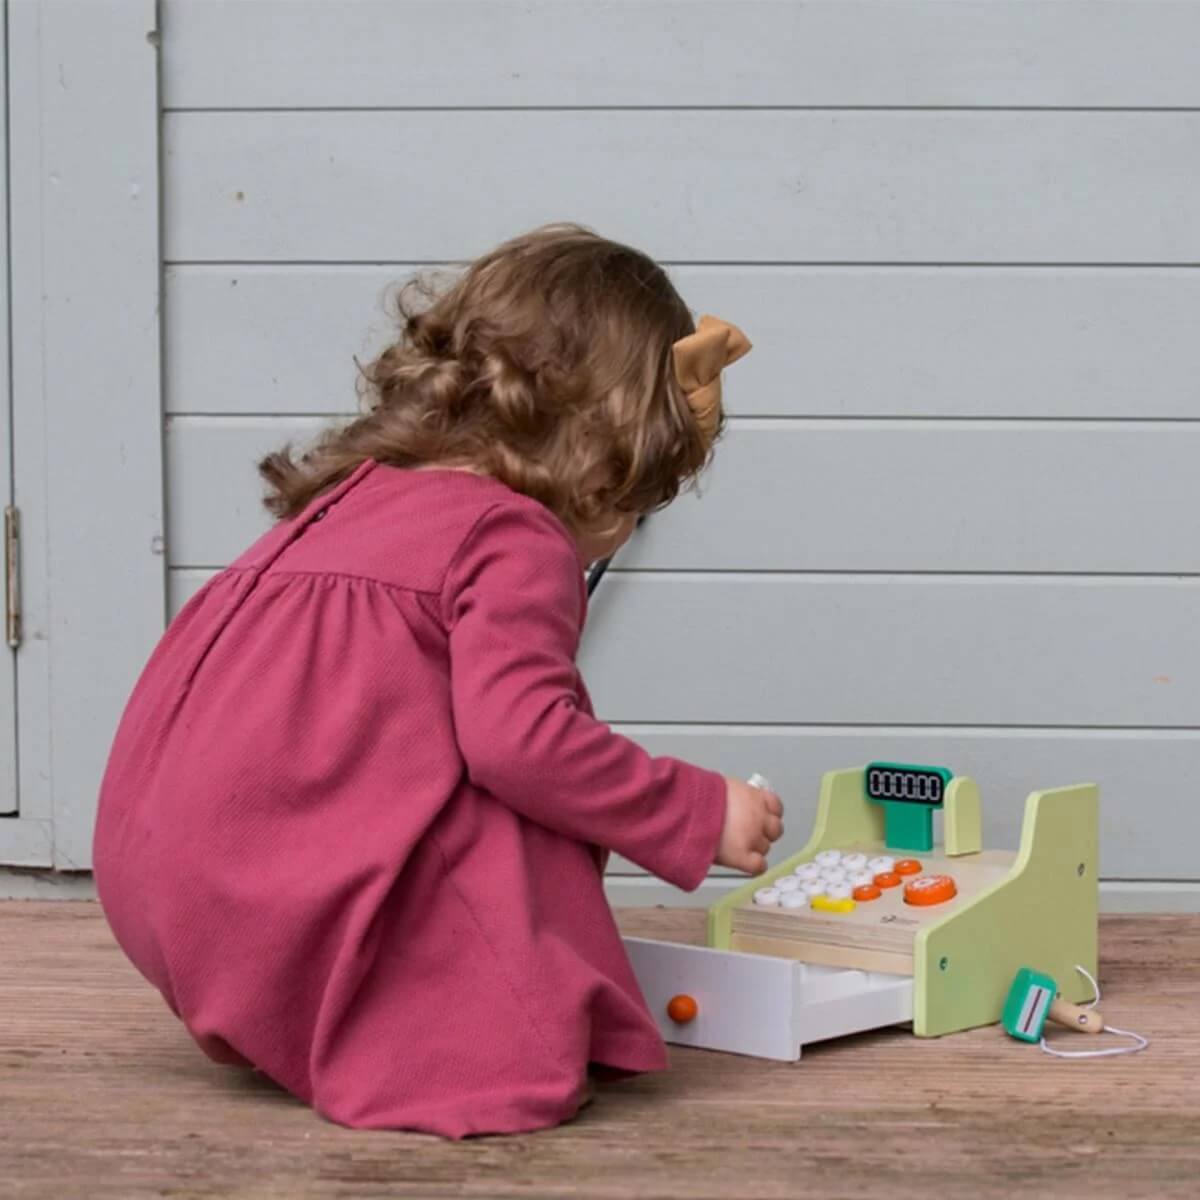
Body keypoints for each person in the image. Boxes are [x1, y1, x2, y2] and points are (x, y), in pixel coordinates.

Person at [93, 225, 783, 1138]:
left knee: (443, 745)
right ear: (609, 455)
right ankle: (457, 1038)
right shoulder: (513, 535)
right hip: (283, 903)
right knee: (519, 812)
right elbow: (521, 743)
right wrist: (698, 812)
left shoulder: (358, 496)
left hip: (172, 894)